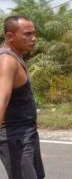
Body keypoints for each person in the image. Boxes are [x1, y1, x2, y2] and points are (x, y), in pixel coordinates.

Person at [0, 16, 45, 179]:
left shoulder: (15, 57)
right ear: (10, 37)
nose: (33, 38)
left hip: (26, 133)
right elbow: (2, 98)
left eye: (34, 33)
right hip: (15, 137)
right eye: (27, 34)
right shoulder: (7, 61)